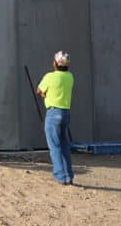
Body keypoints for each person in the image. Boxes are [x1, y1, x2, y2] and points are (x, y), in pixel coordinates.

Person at [37, 50, 74, 185]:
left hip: (53, 113)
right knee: (64, 145)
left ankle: (60, 176)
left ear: (55, 63)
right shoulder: (70, 77)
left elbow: (39, 90)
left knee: (54, 146)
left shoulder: (49, 77)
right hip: (65, 113)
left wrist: (45, 95)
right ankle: (69, 176)